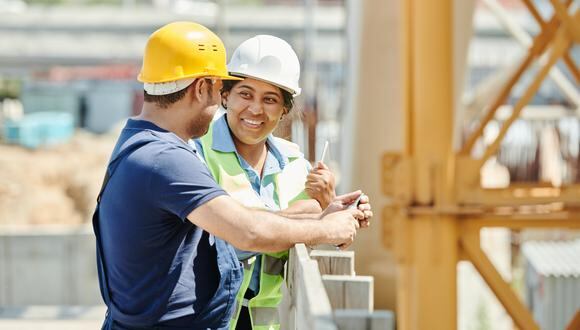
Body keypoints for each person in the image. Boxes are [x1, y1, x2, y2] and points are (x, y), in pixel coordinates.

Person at [93, 21, 369, 330]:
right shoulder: (166, 158)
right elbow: (245, 231)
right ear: (202, 88)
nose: (218, 105)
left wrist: (319, 215)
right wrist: (325, 229)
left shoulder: (143, 144)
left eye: (269, 99)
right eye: (220, 90)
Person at [193, 35, 370, 330]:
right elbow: (227, 238)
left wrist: (334, 208)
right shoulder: (197, 152)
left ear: (285, 109)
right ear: (225, 96)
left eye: (270, 99)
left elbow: (317, 236)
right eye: (245, 94)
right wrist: (311, 221)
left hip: (264, 323)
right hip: (205, 318)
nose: (255, 109)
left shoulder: (296, 165)